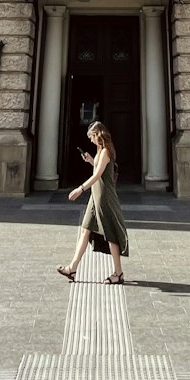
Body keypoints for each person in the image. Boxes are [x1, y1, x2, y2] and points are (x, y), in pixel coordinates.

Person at [57, 121, 129, 285]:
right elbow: (100, 171)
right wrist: (91, 160)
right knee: (85, 230)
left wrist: (80, 189)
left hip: (104, 197)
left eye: (91, 137)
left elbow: (97, 176)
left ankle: (118, 273)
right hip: (95, 196)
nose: (90, 140)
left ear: (98, 134)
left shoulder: (105, 151)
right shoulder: (100, 151)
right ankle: (72, 268)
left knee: (110, 234)